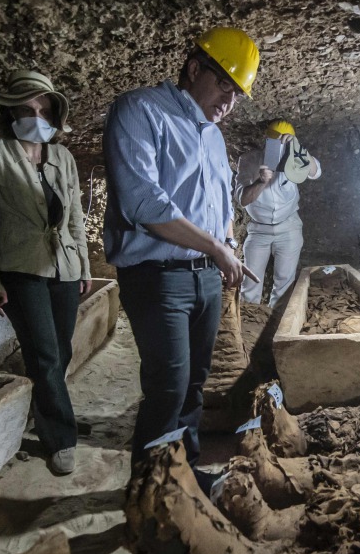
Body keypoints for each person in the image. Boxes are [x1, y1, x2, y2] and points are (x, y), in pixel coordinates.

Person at [103, 27, 260, 488]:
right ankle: (150, 493)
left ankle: (183, 480)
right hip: (157, 276)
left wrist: (227, 247)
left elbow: (221, 207)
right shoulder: (140, 110)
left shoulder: (213, 137)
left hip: (205, 277)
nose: (229, 102)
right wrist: (215, 247)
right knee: (168, 387)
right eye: (225, 86)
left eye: (238, 95)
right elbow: (143, 203)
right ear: (194, 69)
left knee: (193, 385)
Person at [0, 70, 91, 476]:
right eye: (26, 110)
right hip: (20, 267)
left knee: (61, 351)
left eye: (43, 110)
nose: (36, 118)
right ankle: (61, 437)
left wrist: (83, 266)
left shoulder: (63, 158)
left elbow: (75, 218)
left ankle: (48, 413)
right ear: (10, 114)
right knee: (44, 353)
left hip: (64, 267)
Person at [236, 119, 321, 306]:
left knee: (284, 283)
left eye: (283, 141)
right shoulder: (249, 160)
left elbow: (316, 172)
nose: (279, 146)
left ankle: (278, 320)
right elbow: (243, 199)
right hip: (259, 230)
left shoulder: (296, 159)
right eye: (275, 141)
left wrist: (297, 148)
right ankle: (249, 320)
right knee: (250, 282)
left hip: (288, 227)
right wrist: (261, 182)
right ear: (266, 140)